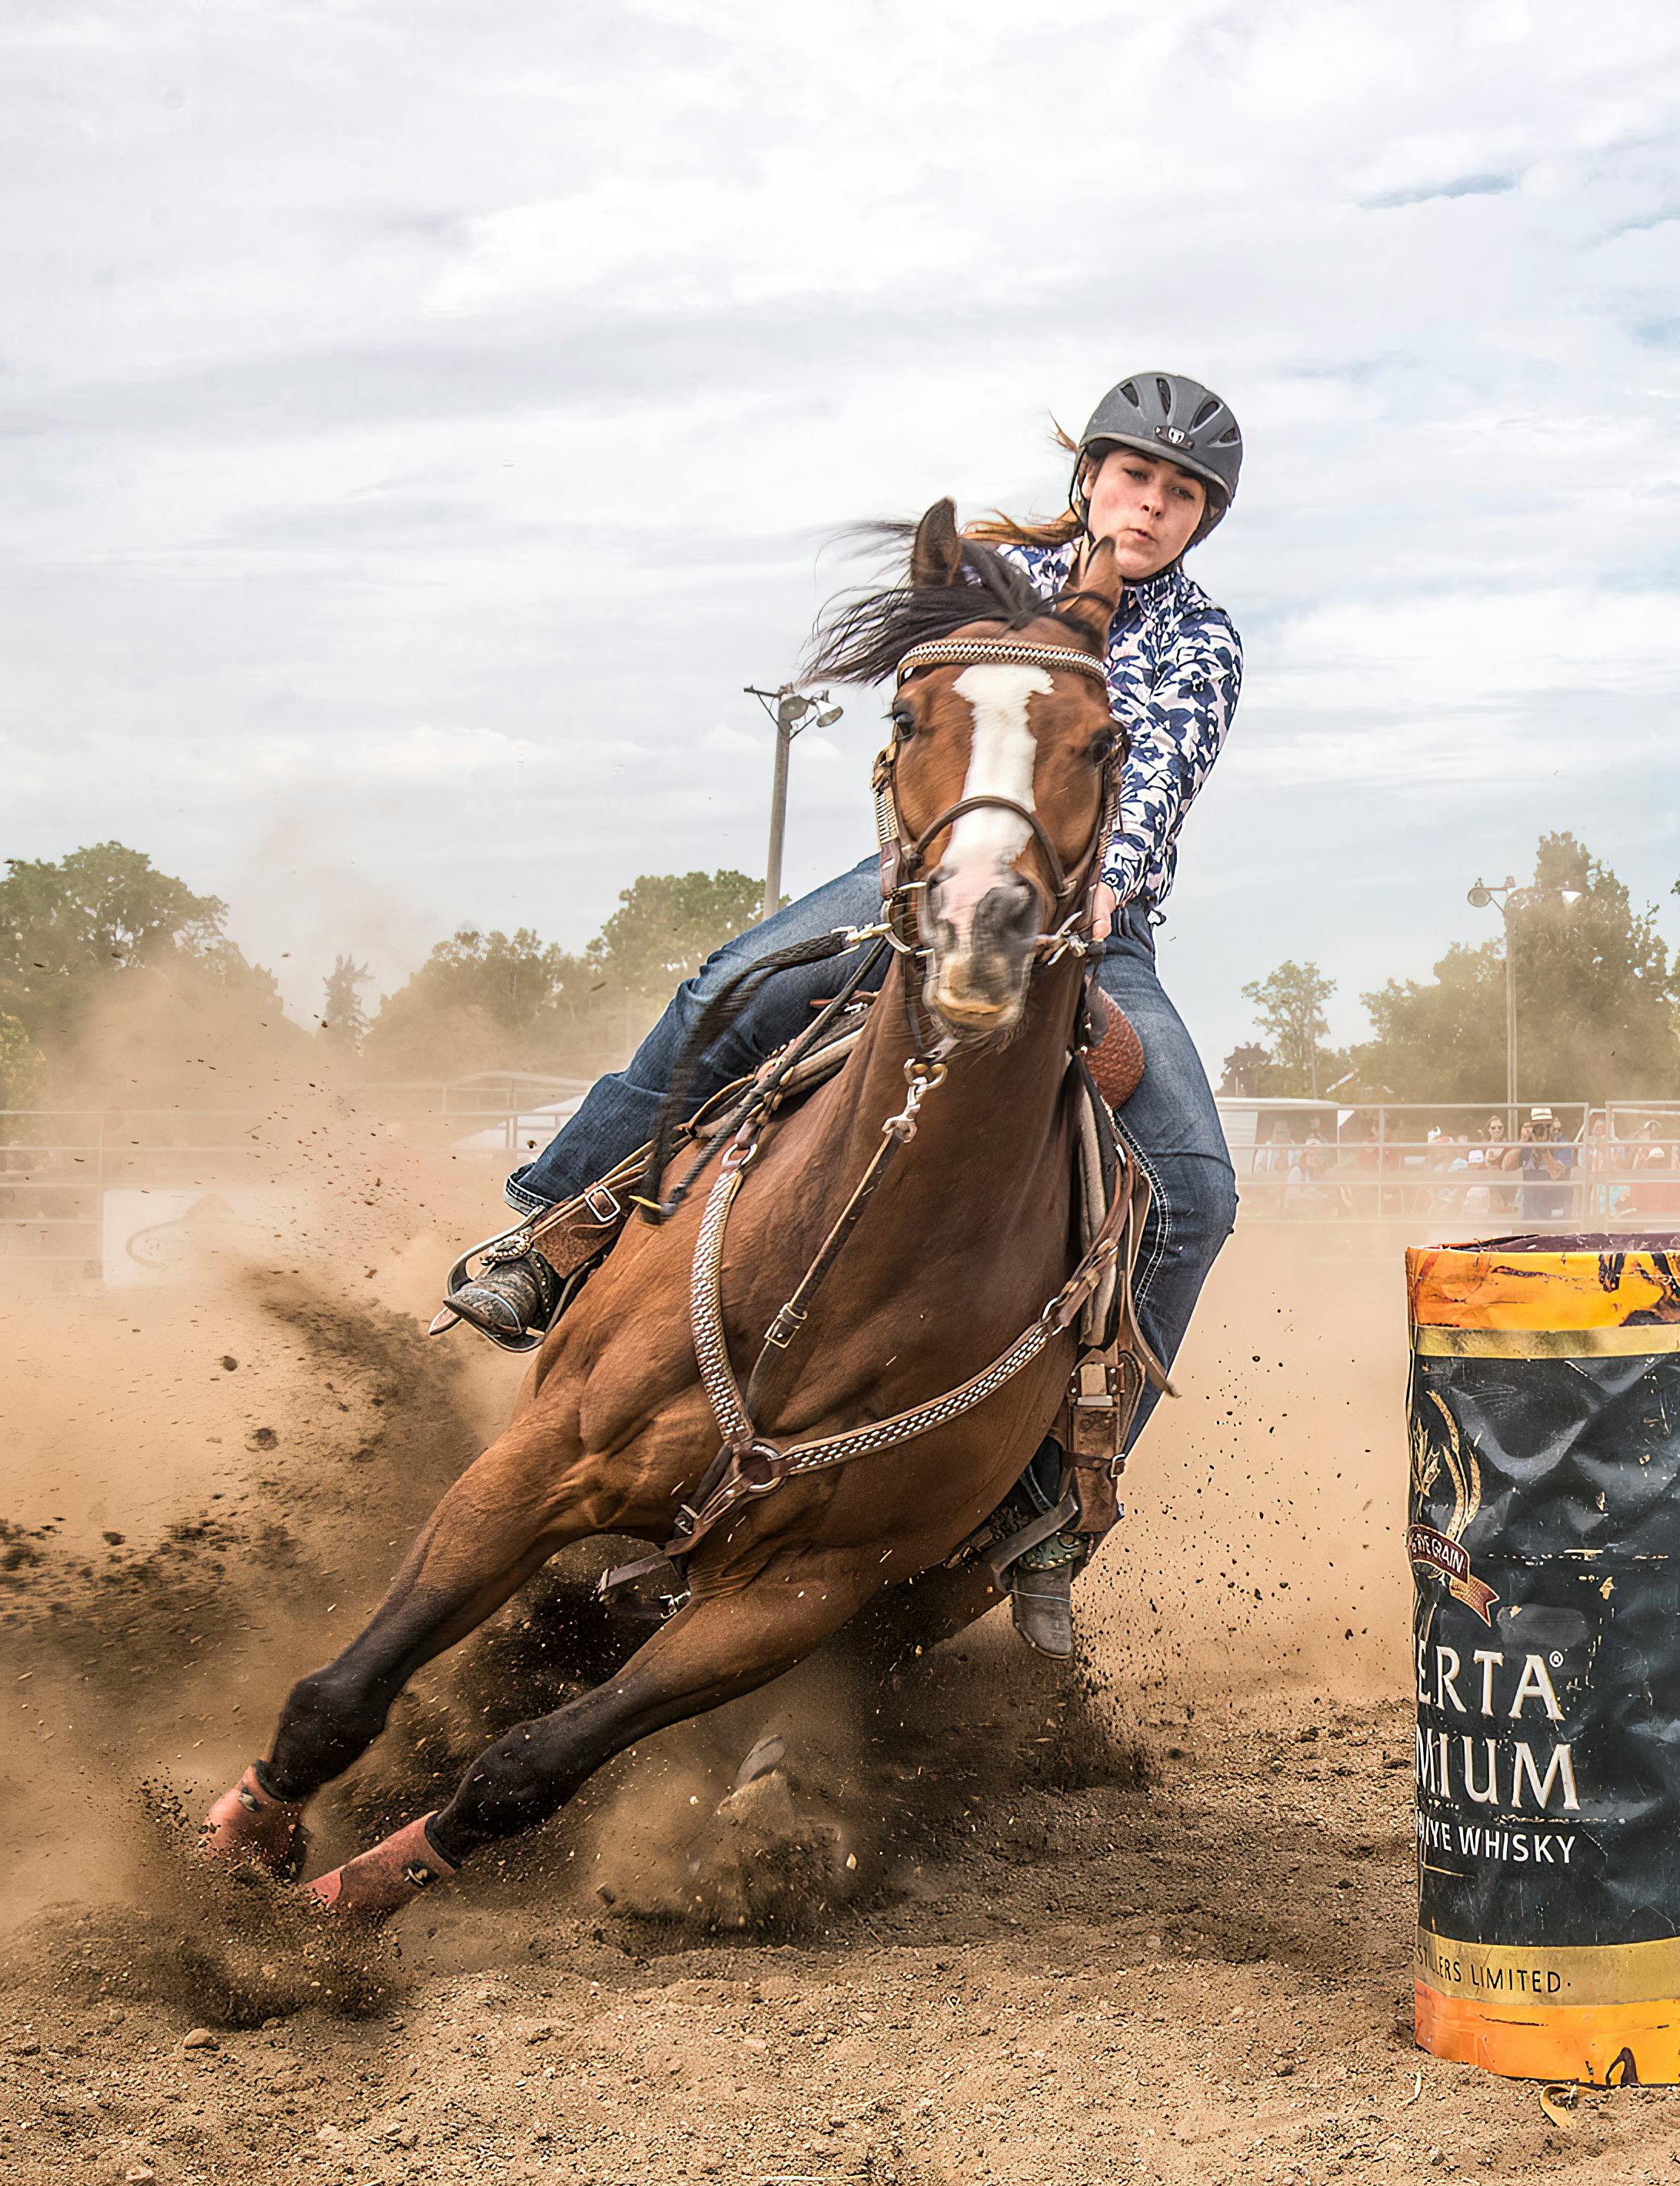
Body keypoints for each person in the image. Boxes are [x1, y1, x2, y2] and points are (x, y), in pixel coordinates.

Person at [440, 372, 1250, 1654]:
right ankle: (551, 1236)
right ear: (1090, 476)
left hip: (1089, 918)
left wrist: (1103, 892)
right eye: (1135, 476)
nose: (1151, 505)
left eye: (1182, 493)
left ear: (1205, 519)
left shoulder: (1199, 639)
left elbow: (1157, 776)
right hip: (922, 884)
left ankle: (1054, 1500)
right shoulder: (990, 586)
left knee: (1197, 1191)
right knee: (726, 989)